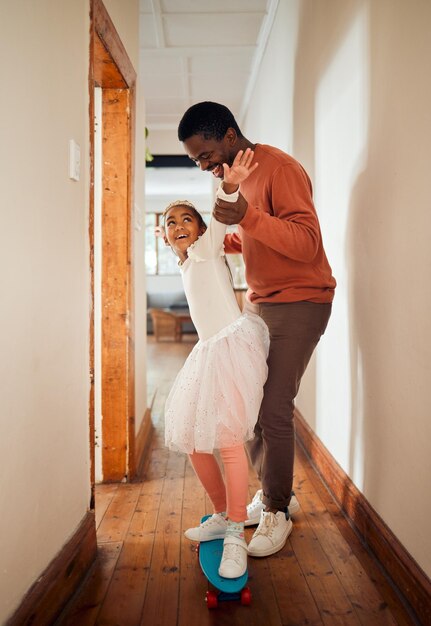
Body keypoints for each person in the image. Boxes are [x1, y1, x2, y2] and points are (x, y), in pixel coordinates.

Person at [177, 101, 336, 558]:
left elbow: (306, 243)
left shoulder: (280, 169)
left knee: (273, 408)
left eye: (206, 155)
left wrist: (245, 216)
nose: (205, 166)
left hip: (301, 303)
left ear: (229, 136)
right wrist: (217, 237)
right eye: (196, 161)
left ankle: (277, 511)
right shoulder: (237, 175)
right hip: (260, 305)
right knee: (250, 406)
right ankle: (271, 495)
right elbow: (252, 232)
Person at [163, 149, 270, 578]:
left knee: (227, 441)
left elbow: (222, 218)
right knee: (191, 440)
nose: (178, 227)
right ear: (165, 236)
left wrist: (228, 185)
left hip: (230, 348)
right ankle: (224, 514)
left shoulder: (208, 250)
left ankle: (235, 536)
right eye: (171, 223)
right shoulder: (186, 262)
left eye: (187, 219)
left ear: (201, 230)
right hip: (207, 351)